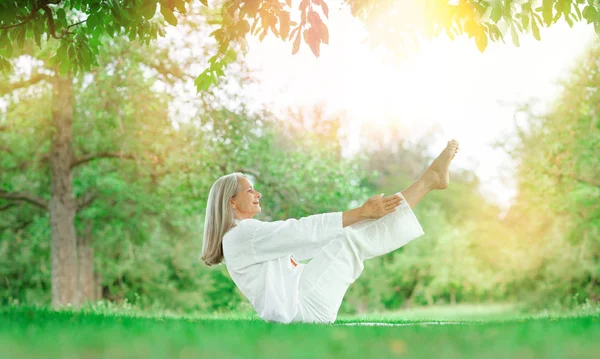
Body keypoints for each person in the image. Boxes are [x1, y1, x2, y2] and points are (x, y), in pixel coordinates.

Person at [202, 139, 460, 324]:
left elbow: (302, 245)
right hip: (303, 310)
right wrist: (360, 212)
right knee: (350, 238)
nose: (258, 194)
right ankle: (428, 180)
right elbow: (298, 231)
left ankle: (430, 180)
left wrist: (358, 217)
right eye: (249, 190)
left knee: (345, 235)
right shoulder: (241, 236)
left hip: (302, 304)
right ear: (231, 202)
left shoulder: (242, 236)